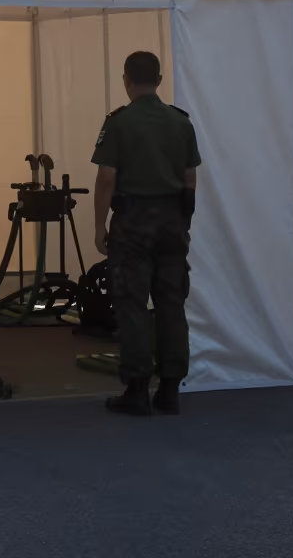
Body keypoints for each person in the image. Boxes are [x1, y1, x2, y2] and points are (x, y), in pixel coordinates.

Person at [92, 51, 200, 416]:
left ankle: (137, 389)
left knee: (132, 304)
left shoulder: (119, 123)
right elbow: (190, 179)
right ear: (159, 77)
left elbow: (106, 176)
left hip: (133, 223)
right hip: (172, 223)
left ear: (127, 80)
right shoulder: (180, 122)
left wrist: (99, 224)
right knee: (171, 304)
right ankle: (170, 389)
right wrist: (182, 222)